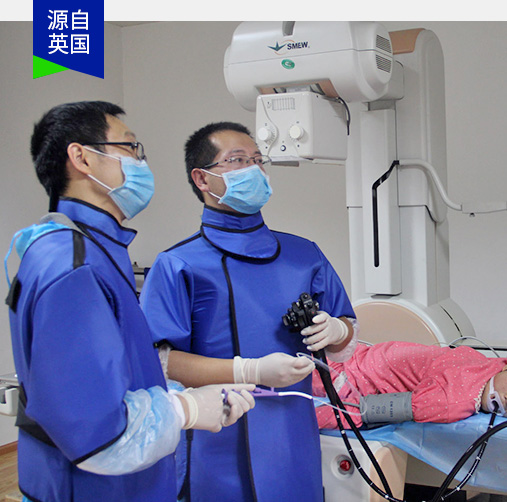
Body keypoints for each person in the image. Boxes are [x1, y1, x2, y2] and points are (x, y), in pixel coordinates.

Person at [5, 102, 255, 502]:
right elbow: (96, 432)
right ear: (82, 157)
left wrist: (173, 391)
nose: (141, 161)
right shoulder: (72, 264)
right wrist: (185, 409)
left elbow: (110, 370)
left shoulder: (93, 249)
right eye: (129, 147)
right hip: (91, 489)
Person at [140, 121, 357, 502]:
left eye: (258, 160)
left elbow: (345, 341)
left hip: (292, 438)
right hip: (215, 438)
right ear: (202, 178)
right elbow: (161, 362)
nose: (254, 170)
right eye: (238, 160)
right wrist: (249, 371)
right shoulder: (179, 264)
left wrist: (337, 331)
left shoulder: (304, 255)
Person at [312, 340, 507, 429]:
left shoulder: (490, 366)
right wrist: (305, 422)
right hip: (340, 376)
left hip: (356, 357)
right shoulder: (450, 402)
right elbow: (360, 410)